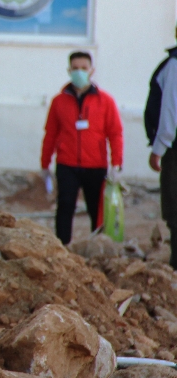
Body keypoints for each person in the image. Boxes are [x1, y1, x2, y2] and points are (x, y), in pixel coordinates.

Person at [41, 51, 123, 244]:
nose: (79, 72)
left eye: (83, 68)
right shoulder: (59, 101)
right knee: (65, 206)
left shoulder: (105, 101)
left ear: (92, 70)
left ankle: (98, 248)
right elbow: (50, 134)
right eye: (75, 68)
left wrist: (117, 164)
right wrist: (44, 164)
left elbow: (115, 133)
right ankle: (62, 249)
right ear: (69, 70)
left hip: (95, 165)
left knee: (97, 209)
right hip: (67, 164)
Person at [147, 34, 177, 267]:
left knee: (174, 207)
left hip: (174, 150)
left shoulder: (174, 65)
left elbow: (169, 113)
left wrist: (159, 148)